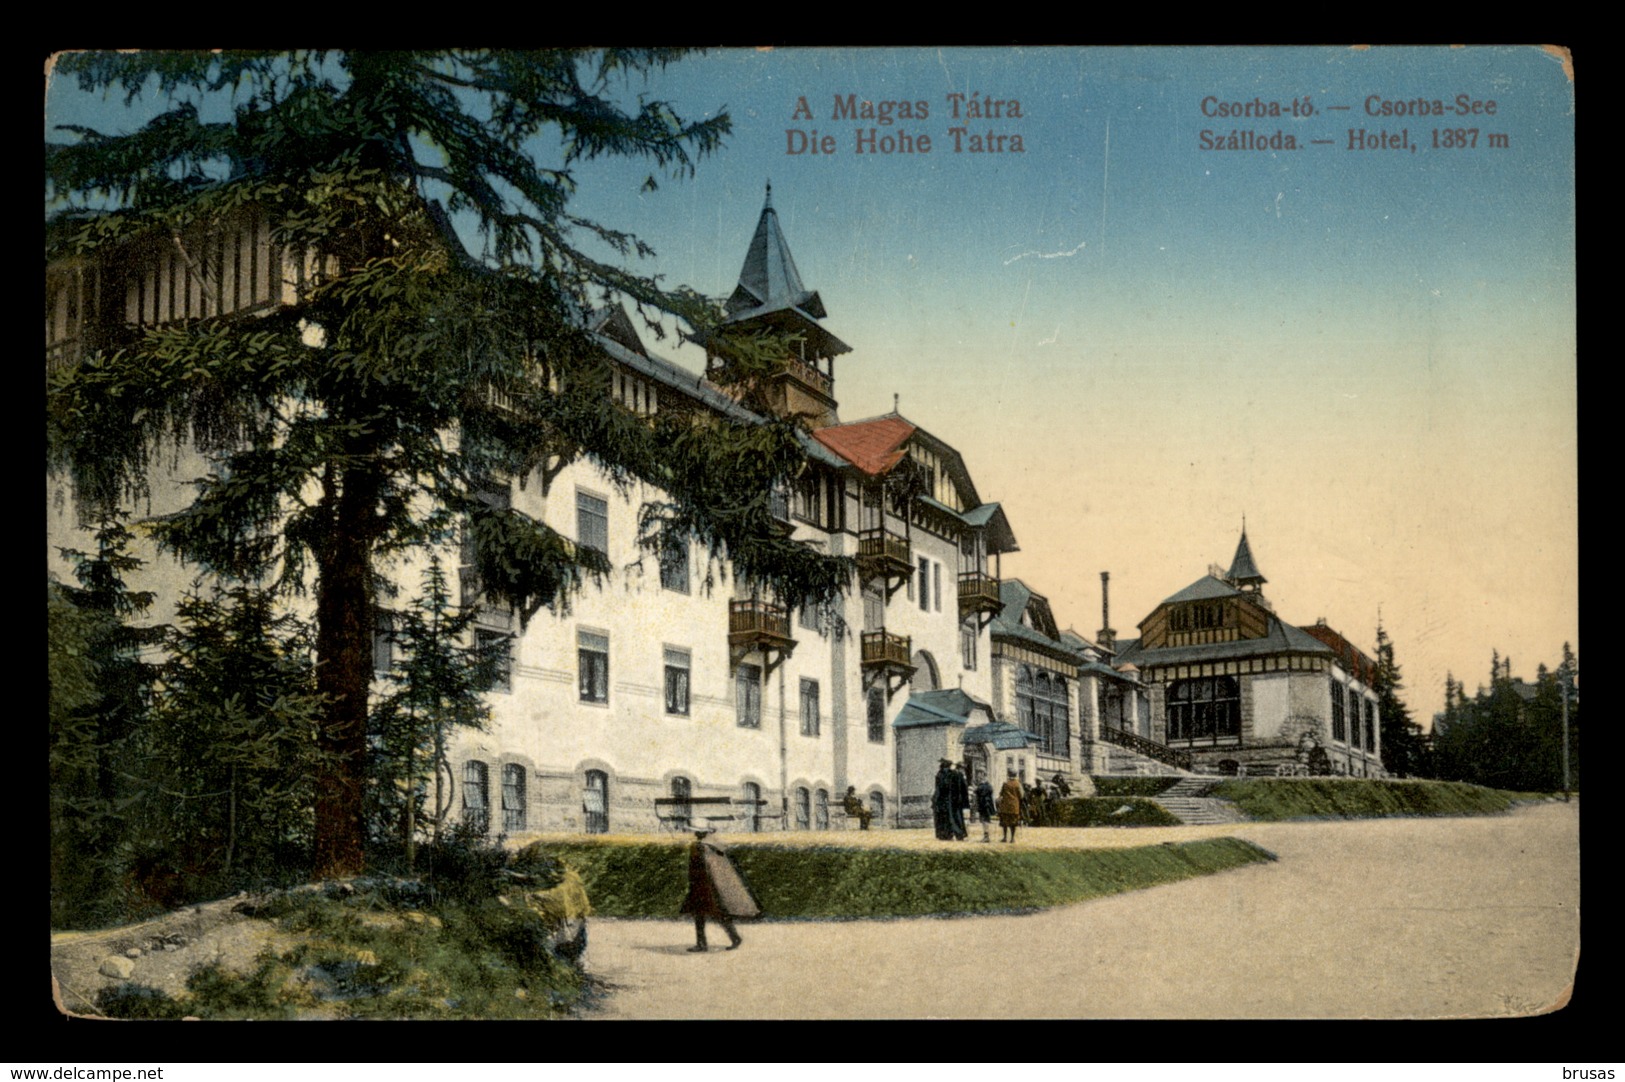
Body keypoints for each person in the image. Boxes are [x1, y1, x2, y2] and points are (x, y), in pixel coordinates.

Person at [680, 828, 760, 952]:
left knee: (711, 914)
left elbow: (696, 868)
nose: (695, 833)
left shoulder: (698, 847)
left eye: (697, 831)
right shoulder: (715, 846)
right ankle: (713, 941)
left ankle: (718, 941)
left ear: (701, 833)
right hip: (712, 885)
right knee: (706, 914)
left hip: (703, 885)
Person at [931, 760, 957, 840]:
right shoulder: (952, 774)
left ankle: (941, 834)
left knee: (940, 818)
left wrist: (935, 799)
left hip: (941, 800)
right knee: (949, 817)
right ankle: (949, 834)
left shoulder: (939, 774)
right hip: (949, 799)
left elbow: (938, 788)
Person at [997, 768, 1024, 843]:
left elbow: (1001, 794)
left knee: (1004, 822)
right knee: (1013, 823)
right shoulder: (1018, 784)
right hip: (1014, 806)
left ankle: (1005, 837)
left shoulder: (1005, 784)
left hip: (1005, 806)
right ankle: (1012, 838)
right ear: (1016, 775)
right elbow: (1021, 795)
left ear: (1009, 774)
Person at [948, 763, 970, 841]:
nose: (963, 770)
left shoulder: (954, 774)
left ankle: (957, 834)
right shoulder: (958, 775)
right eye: (963, 768)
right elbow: (962, 789)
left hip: (954, 800)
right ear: (960, 768)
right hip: (957, 800)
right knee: (958, 818)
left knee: (956, 817)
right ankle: (959, 835)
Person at [974, 776, 996, 843]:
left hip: (984, 805)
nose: (979, 778)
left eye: (981, 777)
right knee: (984, 820)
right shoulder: (988, 786)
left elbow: (977, 791)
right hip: (985, 804)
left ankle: (986, 836)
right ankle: (986, 836)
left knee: (985, 820)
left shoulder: (984, 786)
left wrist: (977, 788)